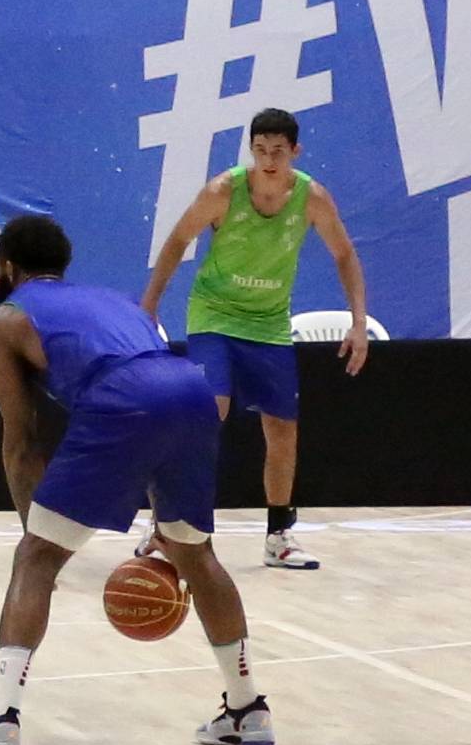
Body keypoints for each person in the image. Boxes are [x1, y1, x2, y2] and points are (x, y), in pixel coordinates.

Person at [0, 212, 270, 745]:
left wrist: (38, 534)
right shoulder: (116, 300)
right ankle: (246, 709)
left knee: (36, 559)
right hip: (191, 390)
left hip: (124, 398)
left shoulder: (5, 321)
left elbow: (21, 441)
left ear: (7, 267)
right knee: (195, 553)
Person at [139, 105, 372, 571]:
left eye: (278, 152)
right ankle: (166, 522)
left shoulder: (312, 199)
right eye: (261, 150)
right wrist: (149, 306)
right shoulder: (223, 191)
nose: (268, 160)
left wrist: (359, 321)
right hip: (214, 316)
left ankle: (279, 536)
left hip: (267, 324)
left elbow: (344, 255)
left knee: (282, 429)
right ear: (251, 150)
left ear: (295, 152)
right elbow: (177, 240)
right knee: (207, 413)